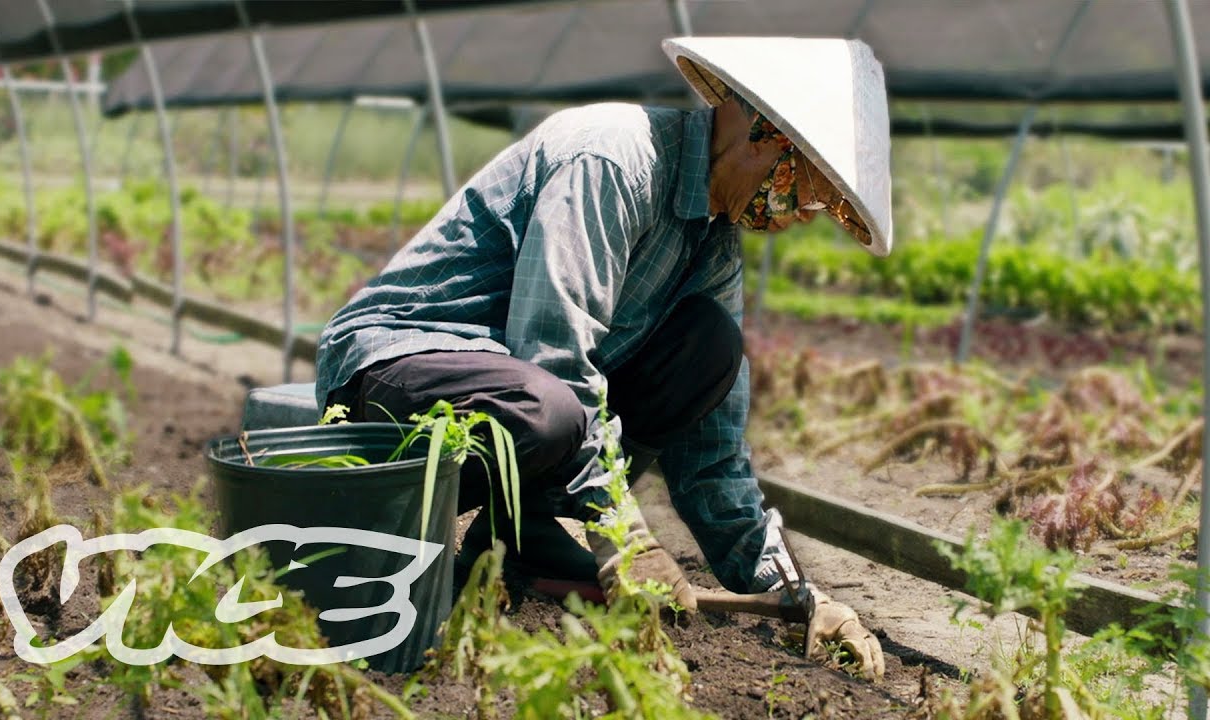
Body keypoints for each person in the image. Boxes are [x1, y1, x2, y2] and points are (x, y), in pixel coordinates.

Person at [315, 36, 890, 679]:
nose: (790, 221)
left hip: (511, 399)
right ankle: (368, 535)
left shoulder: (713, 241)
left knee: (709, 345)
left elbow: (715, 453)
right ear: (762, 139)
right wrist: (624, 537)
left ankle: (518, 535)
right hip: (394, 368)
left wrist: (798, 592)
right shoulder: (613, 160)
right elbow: (552, 353)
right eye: (799, 197)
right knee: (546, 408)